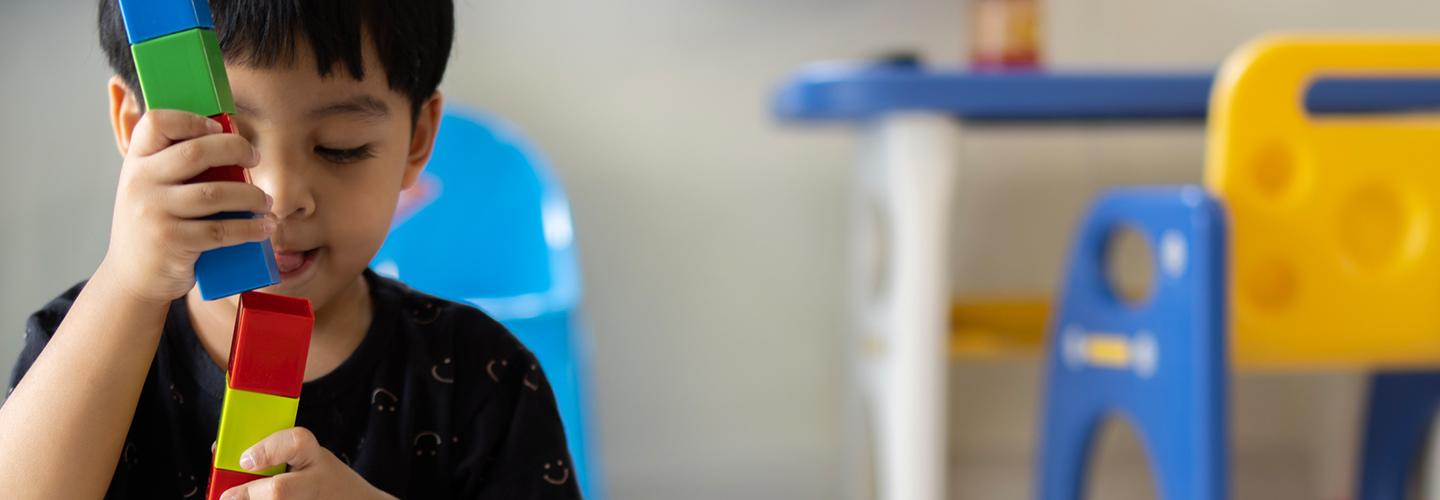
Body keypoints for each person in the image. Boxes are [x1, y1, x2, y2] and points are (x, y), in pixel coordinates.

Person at [0, 1, 582, 498]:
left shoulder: (485, 380)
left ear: (417, 141)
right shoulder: (77, 345)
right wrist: (129, 284)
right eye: (223, 141)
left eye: (340, 148)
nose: (278, 196)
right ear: (135, 128)